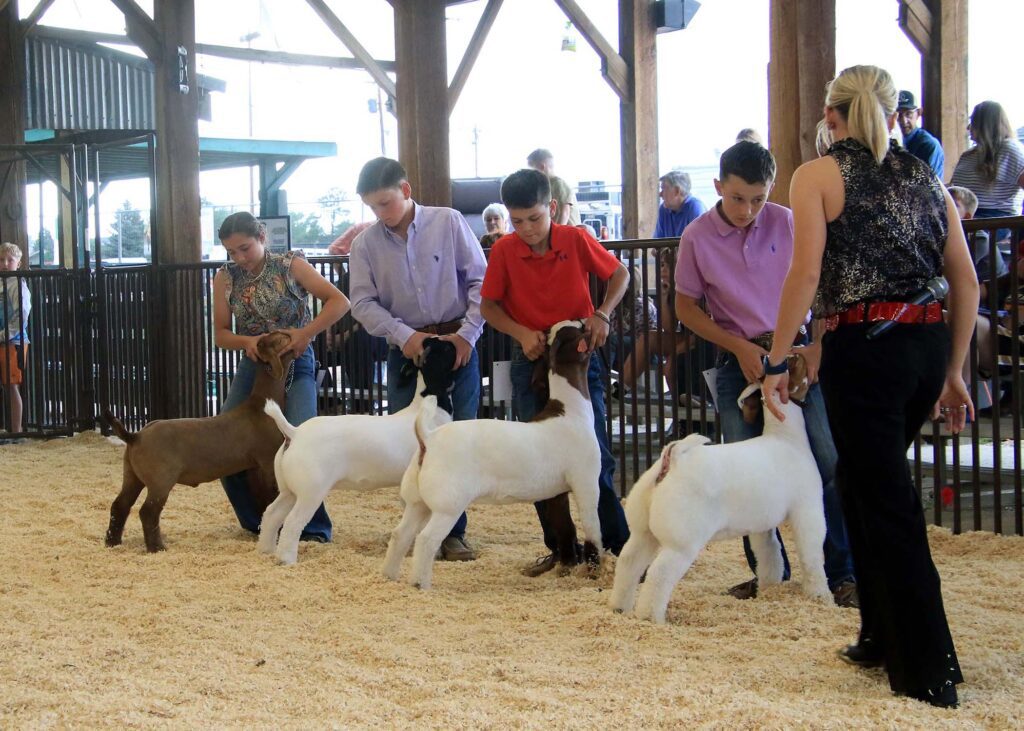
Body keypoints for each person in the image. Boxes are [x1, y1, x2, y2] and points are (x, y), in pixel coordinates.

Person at [762, 65, 977, 709]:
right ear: (889, 111)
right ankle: (879, 633)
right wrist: (953, 371)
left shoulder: (816, 175)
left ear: (832, 116)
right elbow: (965, 280)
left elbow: (805, 276)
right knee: (861, 482)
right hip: (923, 348)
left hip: (867, 351)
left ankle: (929, 667)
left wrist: (776, 359)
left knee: (885, 500)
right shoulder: (927, 178)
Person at [673, 140, 858, 608]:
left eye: (758, 198)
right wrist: (736, 346)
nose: (747, 209)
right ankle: (768, 575)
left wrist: (817, 345)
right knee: (744, 467)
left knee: (828, 458)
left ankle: (841, 572)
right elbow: (685, 307)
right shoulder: (696, 235)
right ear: (718, 186)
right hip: (739, 359)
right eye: (737, 198)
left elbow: (823, 285)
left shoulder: (788, 221)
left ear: (771, 189)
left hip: (796, 355)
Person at [480, 168, 631, 575]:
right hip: (531, 356)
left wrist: (602, 314)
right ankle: (563, 550)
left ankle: (618, 548)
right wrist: (520, 333)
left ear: (551, 207)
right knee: (536, 460)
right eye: (517, 221)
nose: (527, 229)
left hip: (577, 357)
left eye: (534, 218)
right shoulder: (505, 250)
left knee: (595, 453)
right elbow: (488, 306)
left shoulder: (575, 239)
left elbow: (620, 274)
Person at [349, 156, 487, 562]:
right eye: (372, 206)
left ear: (406, 191)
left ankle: (451, 532)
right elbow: (362, 302)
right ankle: (412, 528)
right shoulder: (364, 244)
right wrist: (404, 336)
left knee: (457, 439)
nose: (380, 213)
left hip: (457, 344)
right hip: (406, 350)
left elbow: (480, 280)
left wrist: (467, 335)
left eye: (385, 202)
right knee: (411, 441)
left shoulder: (448, 222)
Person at [213, 212, 350, 542]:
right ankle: (257, 522)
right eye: (231, 252)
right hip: (253, 365)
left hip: (296, 360)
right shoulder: (225, 277)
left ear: (261, 237)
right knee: (226, 441)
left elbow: (339, 302)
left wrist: (305, 333)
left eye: (245, 248)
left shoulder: (291, 265)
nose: (239, 258)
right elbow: (220, 334)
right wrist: (247, 342)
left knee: (301, 439)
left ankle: (312, 528)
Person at [950, 101, 1024, 237]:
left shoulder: (1010, 151)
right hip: (962, 214)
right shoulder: (968, 155)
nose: (968, 127)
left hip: (995, 219)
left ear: (985, 125)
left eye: (973, 122)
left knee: (963, 237)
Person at [948, 185, 1008, 293]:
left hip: (992, 291)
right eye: (942, 202)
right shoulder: (946, 233)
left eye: (953, 205)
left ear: (966, 217)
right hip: (969, 285)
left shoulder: (979, 239)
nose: (944, 207)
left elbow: (955, 271)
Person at [0, 242, 30, 443]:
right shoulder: (3, 283)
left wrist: (4, 335)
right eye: (1, 259)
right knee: (7, 386)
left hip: (14, 341)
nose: (5, 263)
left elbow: (22, 315)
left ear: (18, 263)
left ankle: (17, 432)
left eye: (10, 260)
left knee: (12, 386)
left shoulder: (18, 285)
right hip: (4, 339)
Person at [896, 90, 944, 179]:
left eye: (908, 114)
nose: (903, 121)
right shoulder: (889, 143)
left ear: (918, 113)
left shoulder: (928, 145)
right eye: (898, 115)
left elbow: (932, 183)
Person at [527, 148, 581, 226]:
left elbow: (565, 212)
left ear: (542, 167)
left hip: (568, 229)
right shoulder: (545, 185)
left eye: (532, 170)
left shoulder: (559, 184)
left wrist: (558, 231)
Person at [654, 170, 706, 239]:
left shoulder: (695, 207)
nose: (660, 194)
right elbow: (657, 242)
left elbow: (699, 242)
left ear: (677, 191)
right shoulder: (663, 209)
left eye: (663, 188)